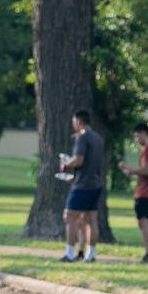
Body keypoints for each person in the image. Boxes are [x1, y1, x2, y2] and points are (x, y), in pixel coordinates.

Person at [59, 110, 104, 263]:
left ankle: (69, 254)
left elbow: (78, 161)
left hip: (82, 185)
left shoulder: (82, 138)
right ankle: (90, 255)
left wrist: (66, 163)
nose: (73, 125)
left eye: (73, 122)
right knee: (92, 220)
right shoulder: (97, 138)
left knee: (69, 217)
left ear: (78, 121)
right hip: (96, 183)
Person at [118, 122, 148, 263]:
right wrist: (133, 171)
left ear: (144, 133)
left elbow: (146, 170)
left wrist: (128, 167)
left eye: (137, 136)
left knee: (143, 222)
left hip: (145, 191)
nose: (136, 140)